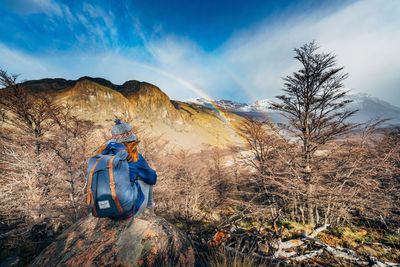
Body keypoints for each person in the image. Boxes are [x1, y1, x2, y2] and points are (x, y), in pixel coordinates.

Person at [98, 119, 157, 218]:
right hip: (124, 212)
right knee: (150, 175)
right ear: (131, 140)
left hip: (104, 208)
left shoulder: (103, 154)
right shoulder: (134, 156)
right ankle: (149, 209)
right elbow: (152, 178)